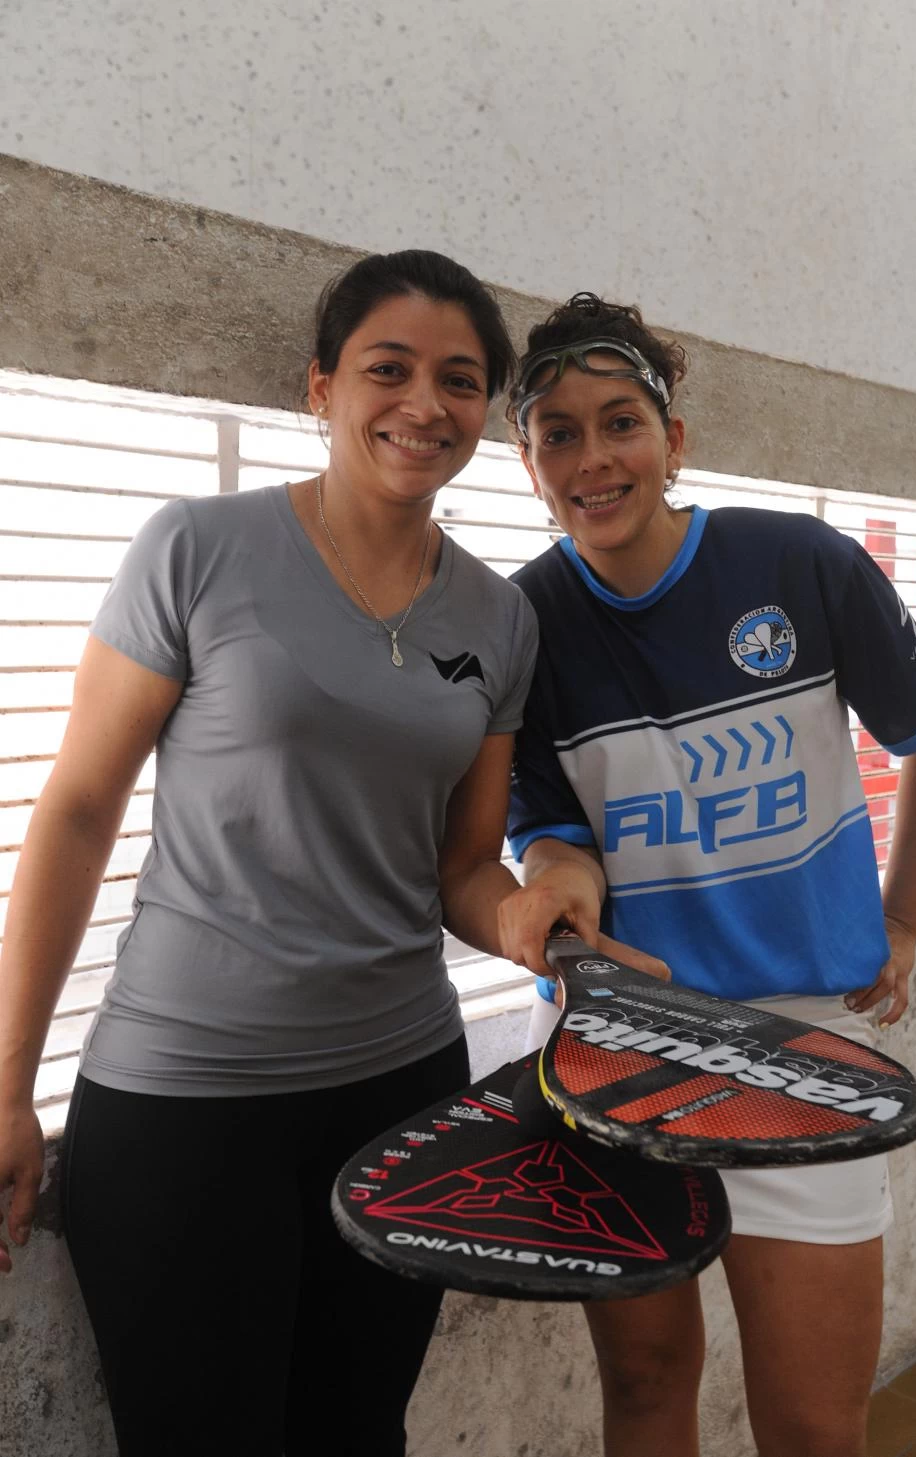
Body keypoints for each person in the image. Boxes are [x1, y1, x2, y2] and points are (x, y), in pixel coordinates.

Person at [0, 250, 539, 1457]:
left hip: (403, 1086)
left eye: (459, 380)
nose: (422, 404)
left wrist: (532, 921)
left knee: (357, 1433)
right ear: (320, 386)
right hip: (184, 1094)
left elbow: (463, 864)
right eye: (385, 368)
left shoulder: (499, 618)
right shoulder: (196, 547)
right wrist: (7, 1076)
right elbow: (79, 809)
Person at [496, 292, 916, 1457]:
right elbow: (544, 824)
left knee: (812, 1423)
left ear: (673, 440)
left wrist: (903, 915)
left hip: (803, 1048)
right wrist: (556, 876)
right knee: (648, 1390)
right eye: (558, 432)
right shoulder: (522, 621)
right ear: (527, 460)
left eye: (620, 422)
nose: (593, 457)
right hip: (621, 1050)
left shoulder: (798, 564)